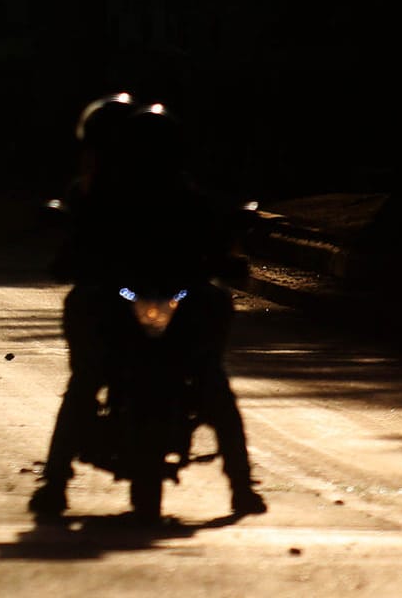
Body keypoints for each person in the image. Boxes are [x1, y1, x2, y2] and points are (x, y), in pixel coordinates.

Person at [29, 95, 265, 520]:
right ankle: (54, 480)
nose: (150, 160)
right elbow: (75, 247)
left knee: (212, 378)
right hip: (120, 297)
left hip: (180, 298)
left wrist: (227, 260)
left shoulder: (191, 199)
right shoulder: (103, 198)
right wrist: (72, 263)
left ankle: (242, 484)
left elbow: (218, 243)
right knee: (86, 378)